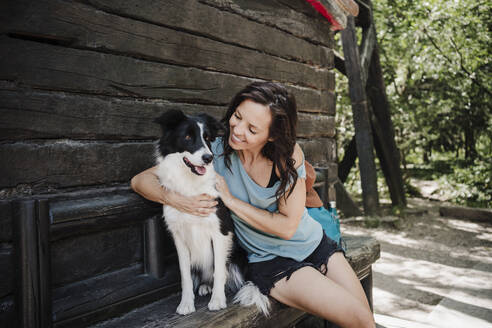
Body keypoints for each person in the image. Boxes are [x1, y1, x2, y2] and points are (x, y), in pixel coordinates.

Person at [131, 82, 375, 328]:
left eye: (252, 129)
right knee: (361, 320)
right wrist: (178, 200)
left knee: (366, 319)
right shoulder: (213, 150)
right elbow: (141, 180)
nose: (237, 130)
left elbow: (287, 227)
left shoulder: (288, 155)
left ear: (272, 135)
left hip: (314, 243)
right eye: (237, 117)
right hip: (271, 261)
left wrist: (231, 201)